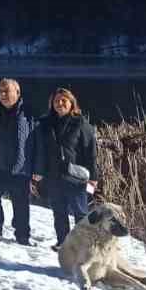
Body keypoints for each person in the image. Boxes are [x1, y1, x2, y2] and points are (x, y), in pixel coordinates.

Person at [32, 87, 100, 247]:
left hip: (75, 177)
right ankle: (63, 243)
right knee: (59, 212)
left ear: (71, 103)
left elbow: (91, 153)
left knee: (80, 213)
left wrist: (93, 178)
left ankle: (83, 245)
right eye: (56, 101)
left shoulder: (82, 124)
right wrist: (38, 172)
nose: (60, 103)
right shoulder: (44, 124)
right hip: (53, 175)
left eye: (64, 100)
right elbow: (39, 150)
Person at [0, 78, 36, 244]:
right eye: (0, 91)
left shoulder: (28, 113)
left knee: (21, 204)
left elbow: (37, 142)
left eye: (7, 91)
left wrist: (37, 168)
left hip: (20, 168)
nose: (3, 95)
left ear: (17, 93)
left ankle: (22, 235)